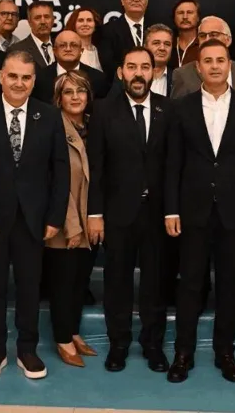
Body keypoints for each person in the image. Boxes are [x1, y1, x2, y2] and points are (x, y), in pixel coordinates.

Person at [0, 50, 70, 381]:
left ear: (34, 81)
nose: (20, 83)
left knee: (30, 287)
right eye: (14, 76)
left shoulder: (50, 116)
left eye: (26, 77)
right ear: (2, 77)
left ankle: (27, 349)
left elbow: (60, 170)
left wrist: (55, 217)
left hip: (33, 221)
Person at [164, 39, 235, 384]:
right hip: (192, 211)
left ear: (229, 65)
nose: (214, 66)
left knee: (229, 285)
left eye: (219, 60)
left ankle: (226, 353)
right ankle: (183, 353)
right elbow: (172, 163)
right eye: (207, 61)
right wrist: (171, 210)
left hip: (234, 211)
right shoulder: (181, 107)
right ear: (198, 67)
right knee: (190, 285)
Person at [87, 47, 171, 373]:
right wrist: (95, 214)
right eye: (132, 67)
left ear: (153, 72)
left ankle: (153, 344)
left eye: (145, 67)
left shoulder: (168, 109)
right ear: (121, 72)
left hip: (158, 214)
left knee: (155, 283)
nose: (138, 73)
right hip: (117, 214)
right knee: (117, 282)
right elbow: (96, 166)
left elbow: (174, 165)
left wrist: (173, 210)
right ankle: (118, 344)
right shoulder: (103, 110)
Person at [46, 71, 97, 368]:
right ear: (59, 98)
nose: (75, 97)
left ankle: (74, 332)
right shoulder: (52, 128)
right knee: (63, 284)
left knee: (80, 281)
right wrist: (73, 225)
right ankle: (63, 338)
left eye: (81, 91)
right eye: (68, 92)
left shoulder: (94, 126)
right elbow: (55, 181)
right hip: (64, 221)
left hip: (90, 221)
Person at [171, 17, 235, 98]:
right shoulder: (182, 75)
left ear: (228, 40)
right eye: (202, 36)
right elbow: (177, 107)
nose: (207, 40)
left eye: (214, 35)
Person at [36, 30, 108, 101]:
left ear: (81, 51)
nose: (68, 49)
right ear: (54, 51)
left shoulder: (97, 78)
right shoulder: (40, 78)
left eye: (74, 45)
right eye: (62, 45)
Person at [99, 0, 150, 73]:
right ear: (122, 0)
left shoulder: (156, 28)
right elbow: (108, 64)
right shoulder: (108, 30)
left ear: (147, 0)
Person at [10, 1, 58, 70]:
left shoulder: (61, 46)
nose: (43, 22)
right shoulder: (17, 50)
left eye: (47, 17)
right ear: (29, 22)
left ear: (53, 20)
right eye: (37, 18)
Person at [64, 6, 104, 71]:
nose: (85, 24)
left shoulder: (100, 51)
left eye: (89, 20)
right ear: (74, 25)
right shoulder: (68, 51)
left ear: (95, 25)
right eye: (81, 20)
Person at [145, 24, 174, 97]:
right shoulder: (133, 76)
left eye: (167, 44)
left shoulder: (178, 79)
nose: (162, 48)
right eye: (156, 43)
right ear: (145, 47)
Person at [171, 0, 201, 68]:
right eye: (180, 13)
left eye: (190, 12)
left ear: (198, 17)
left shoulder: (203, 44)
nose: (185, 17)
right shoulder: (168, 43)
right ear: (174, 18)